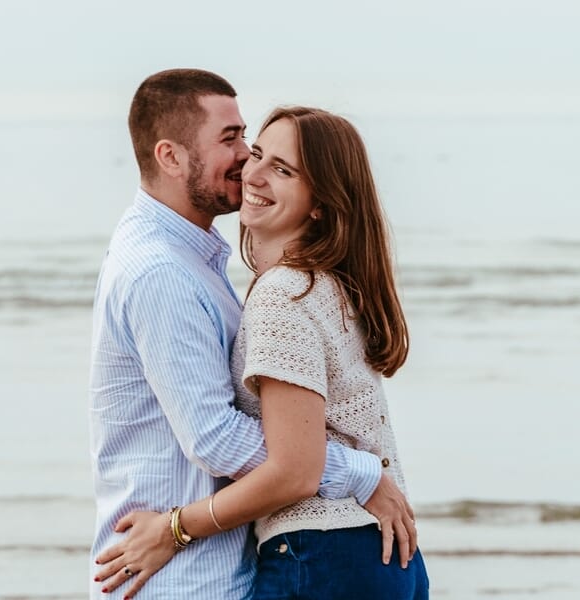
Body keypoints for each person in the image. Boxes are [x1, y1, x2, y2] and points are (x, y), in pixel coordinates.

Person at [88, 69, 417, 599]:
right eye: (232, 140)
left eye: (250, 140)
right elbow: (216, 437)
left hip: (239, 563)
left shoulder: (244, 277)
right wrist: (360, 473)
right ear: (170, 157)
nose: (247, 160)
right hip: (180, 580)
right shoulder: (162, 272)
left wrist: (179, 527)